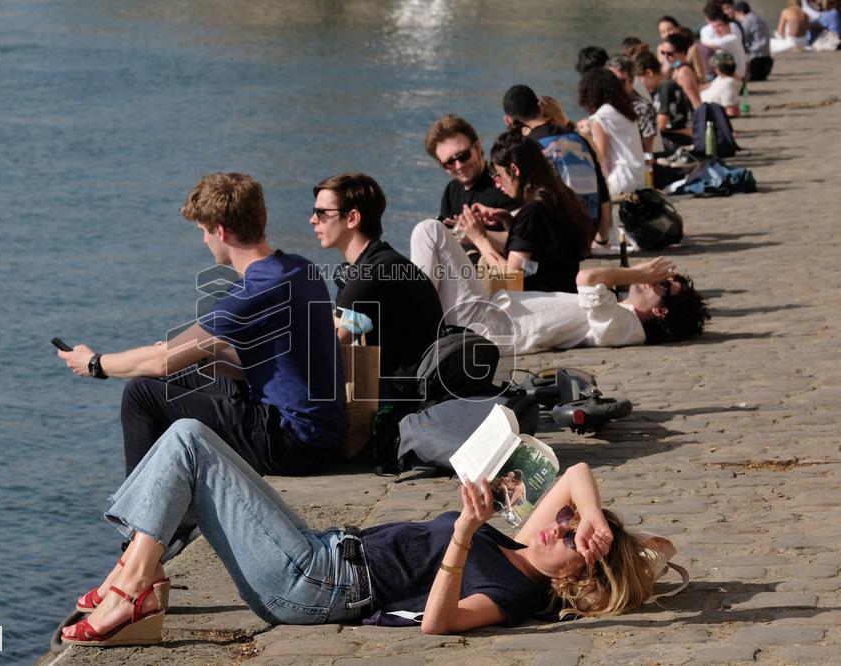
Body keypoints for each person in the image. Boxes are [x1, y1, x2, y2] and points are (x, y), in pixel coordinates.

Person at [60, 421, 657, 646]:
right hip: (323, 548)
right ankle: (133, 576)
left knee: (190, 441)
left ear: (579, 577)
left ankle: (134, 582)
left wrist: (465, 531)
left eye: (573, 538)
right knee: (191, 438)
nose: (561, 525)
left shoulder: (516, 590)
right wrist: (597, 519)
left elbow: (439, 624)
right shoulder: (524, 539)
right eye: (568, 519)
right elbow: (577, 471)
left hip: (318, 585)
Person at [57, 173, 346, 481]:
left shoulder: (253, 293)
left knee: (141, 394)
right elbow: (286, 369)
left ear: (220, 231)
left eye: (203, 231)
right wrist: (205, 358)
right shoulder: (300, 268)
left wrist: (93, 364)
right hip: (322, 430)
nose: (203, 240)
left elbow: (159, 361)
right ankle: (178, 507)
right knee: (182, 372)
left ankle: (141, 518)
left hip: (297, 443)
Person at [409, 223, 709, 352]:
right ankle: (410, 312)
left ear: (660, 310)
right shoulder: (622, 313)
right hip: (487, 311)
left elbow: (586, 278)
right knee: (433, 242)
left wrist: (635, 272)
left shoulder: (627, 327)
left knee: (430, 231)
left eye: (662, 285)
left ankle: (411, 321)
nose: (653, 278)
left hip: (485, 324)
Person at [310, 172, 445, 379]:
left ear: (352, 218)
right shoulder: (377, 263)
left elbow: (329, 351)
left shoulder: (373, 272)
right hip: (410, 385)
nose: (313, 220)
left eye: (321, 213)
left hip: (409, 397)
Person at [452, 132, 592, 295]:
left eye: (498, 175)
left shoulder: (533, 213)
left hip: (541, 305)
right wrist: (509, 222)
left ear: (514, 170)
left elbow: (511, 279)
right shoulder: (559, 199)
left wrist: (479, 239)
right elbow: (543, 253)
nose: (497, 185)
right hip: (564, 293)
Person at [501, 85, 610, 253]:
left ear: (508, 120)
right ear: (541, 107)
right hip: (587, 235)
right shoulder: (579, 139)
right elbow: (602, 192)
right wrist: (602, 241)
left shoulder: (529, 147)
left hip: (559, 241)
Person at [424, 115, 518, 245]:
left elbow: (525, 240)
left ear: (478, 147)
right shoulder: (451, 191)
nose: (459, 166)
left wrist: (470, 235)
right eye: (449, 162)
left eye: (463, 156)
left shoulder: (504, 183)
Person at [578, 68, 648, 219]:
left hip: (620, 180)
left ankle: (601, 236)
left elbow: (603, 160)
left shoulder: (600, 117)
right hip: (637, 176)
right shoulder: (625, 111)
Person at [606, 55, 658, 154]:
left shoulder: (642, 107)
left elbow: (647, 149)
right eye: (609, 80)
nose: (613, 85)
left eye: (619, 82)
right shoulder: (603, 102)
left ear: (631, 81)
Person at [700, 1, 748, 79]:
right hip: (732, 73)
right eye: (714, 27)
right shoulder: (733, 28)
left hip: (735, 76)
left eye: (719, 26)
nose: (716, 30)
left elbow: (710, 44)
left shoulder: (731, 37)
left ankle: (708, 76)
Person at [733, 1, 774, 80]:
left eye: (735, 14)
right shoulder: (757, 18)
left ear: (741, 12)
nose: (735, 17)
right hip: (766, 59)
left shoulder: (747, 21)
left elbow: (742, 39)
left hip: (756, 59)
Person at [701, 52, 742, 116]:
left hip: (703, 110)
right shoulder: (722, 78)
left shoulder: (728, 84)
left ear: (718, 69)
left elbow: (732, 112)